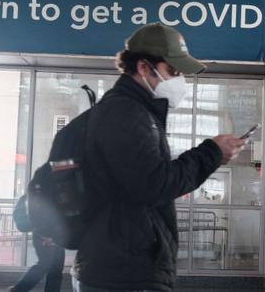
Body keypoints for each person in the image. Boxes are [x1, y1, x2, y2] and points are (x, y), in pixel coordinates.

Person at [70, 23, 245, 291]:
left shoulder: (134, 111)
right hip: (123, 272)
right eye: (172, 71)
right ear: (143, 68)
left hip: (121, 264)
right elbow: (154, 185)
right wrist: (211, 152)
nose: (179, 80)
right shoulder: (127, 114)